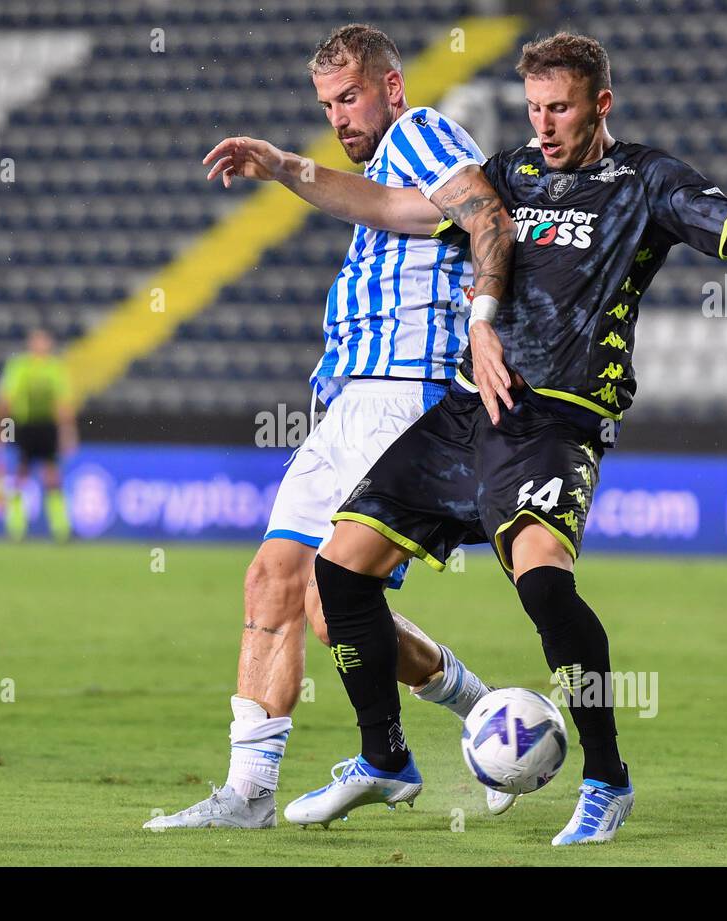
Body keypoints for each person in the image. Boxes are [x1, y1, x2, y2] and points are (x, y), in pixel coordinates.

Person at [280, 32, 727, 842]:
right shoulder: (510, 172)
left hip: (557, 421)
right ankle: (385, 758)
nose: (543, 126)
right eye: (535, 108)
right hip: (474, 411)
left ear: (601, 105)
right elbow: (401, 208)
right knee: (339, 569)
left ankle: (607, 780)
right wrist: (288, 170)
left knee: (544, 587)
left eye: (561, 109)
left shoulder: (645, 181)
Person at [145, 23, 517, 829]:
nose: (340, 116)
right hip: (354, 402)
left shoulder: (421, 133)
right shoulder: (382, 177)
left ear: (392, 88)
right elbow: (394, 209)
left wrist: (485, 316)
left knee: (325, 594)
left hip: (408, 396)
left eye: (350, 96)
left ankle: (461, 724)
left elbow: (488, 214)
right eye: (327, 104)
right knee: (281, 581)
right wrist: (282, 164)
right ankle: (249, 793)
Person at [0, 328, 77, 543]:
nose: (40, 346)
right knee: (22, 474)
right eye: (36, 342)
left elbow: (62, 404)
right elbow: (6, 399)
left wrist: (68, 432)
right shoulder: (20, 366)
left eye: (43, 342)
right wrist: (0, 427)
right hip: (25, 426)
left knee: (51, 475)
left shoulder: (55, 368)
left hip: (47, 426)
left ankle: (61, 528)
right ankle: (16, 527)